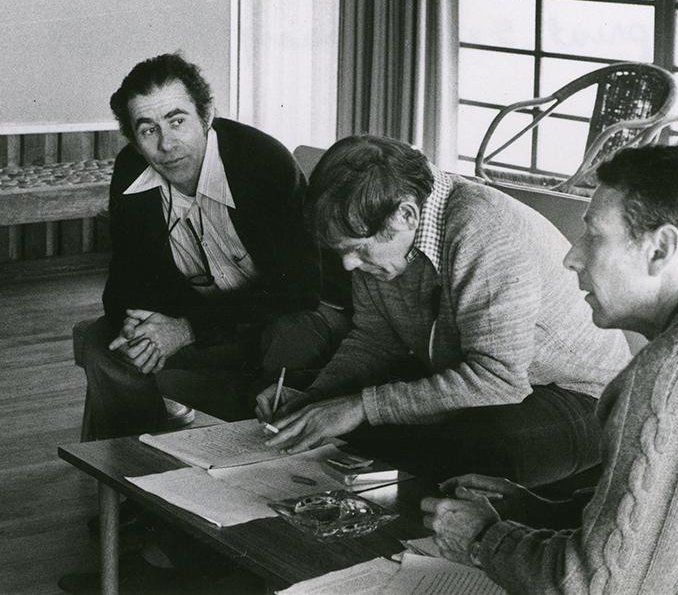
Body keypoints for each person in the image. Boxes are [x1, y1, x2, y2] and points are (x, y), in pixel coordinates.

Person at [422, 145, 678, 594]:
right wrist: (535, 509)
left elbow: (601, 587)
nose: (572, 257)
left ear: (660, 249)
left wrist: (482, 538)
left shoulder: (674, 372)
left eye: (593, 235)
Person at [258, 135, 631, 486]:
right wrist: (316, 397)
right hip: (483, 376)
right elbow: (374, 339)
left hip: (583, 395)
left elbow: (497, 380)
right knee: (349, 416)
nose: (349, 266)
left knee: (474, 445)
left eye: (358, 249)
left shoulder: (482, 230)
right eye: (341, 251)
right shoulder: (378, 226)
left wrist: (358, 406)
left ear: (406, 215)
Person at [79, 52, 330, 440]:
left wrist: (187, 328)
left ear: (207, 115)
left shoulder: (263, 164)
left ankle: (255, 471)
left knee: (291, 333)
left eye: (177, 121)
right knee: (103, 344)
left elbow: (300, 291)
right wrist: (139, 324)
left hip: (281, 318)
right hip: (208, 321)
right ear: (133, 137)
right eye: (148, 130)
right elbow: (125, 278)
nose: (166, 144)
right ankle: (140, 476)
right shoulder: (132, 169)